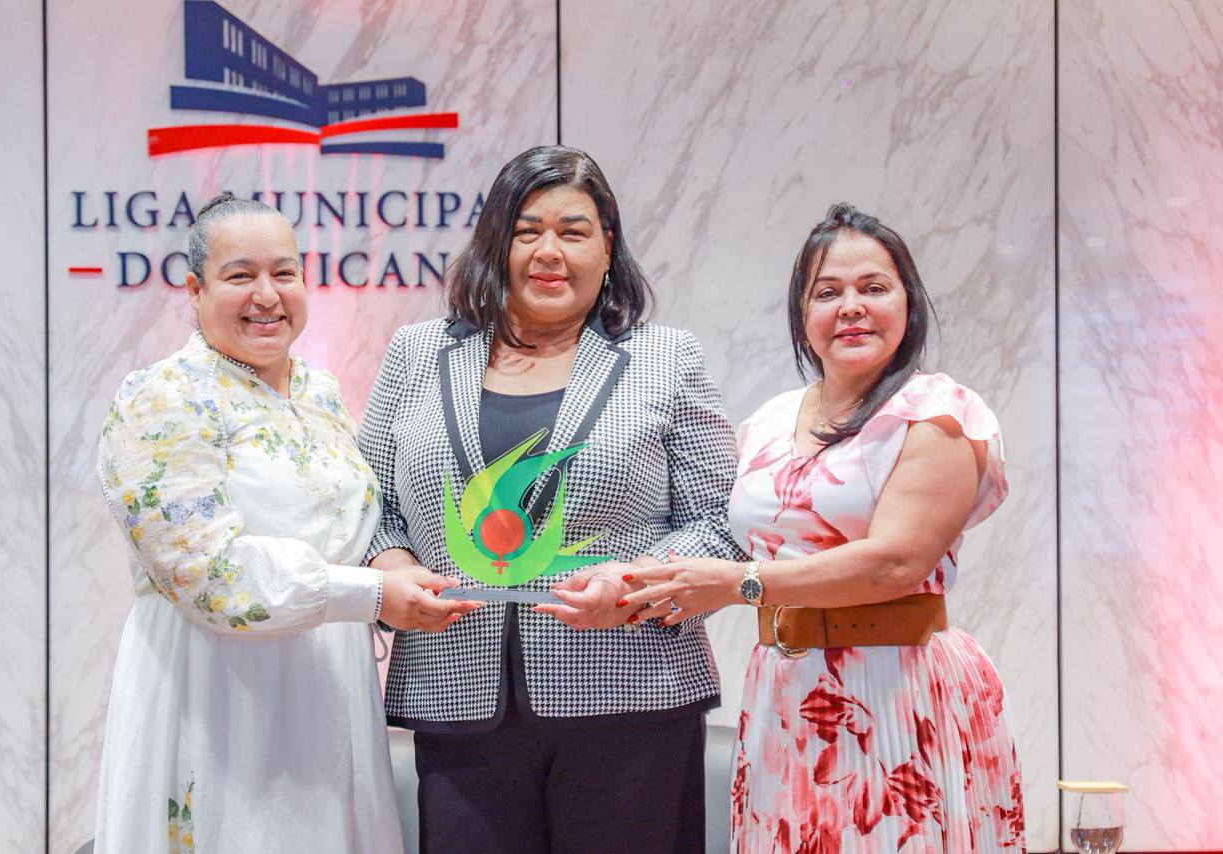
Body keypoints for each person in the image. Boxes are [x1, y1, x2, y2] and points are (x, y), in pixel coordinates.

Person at [357, 145, 742, 853]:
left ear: (607, 245)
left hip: (631, 696)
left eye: (573, 231)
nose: (548, 252)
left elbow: (722, 522)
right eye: (527, 230)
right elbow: (367, 498)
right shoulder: (417, 353)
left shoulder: (665, 358)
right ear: (495, 243)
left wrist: (630, 584)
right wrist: (390, 560)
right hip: (457, 695)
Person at [618, 203, 1026, 852]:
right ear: (803, 316)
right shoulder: (768, 423)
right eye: (827, 292)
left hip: (897, 689)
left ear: (909, 304)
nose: (851, 307)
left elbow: (893, 562)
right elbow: (716, 535)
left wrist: (739, 585)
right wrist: (619, 575)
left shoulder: (941, 413)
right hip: (785, 689)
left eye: (873, 288)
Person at [93, 193, 476, 853]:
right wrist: (376, 596)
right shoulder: (162, 397)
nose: (266, 295)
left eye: (285, 273)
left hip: (328, 697)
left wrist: (398, 570)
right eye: (240, 275)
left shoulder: (320, 392)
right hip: (216, 696)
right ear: (195, 288)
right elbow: (210, 575)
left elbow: (358, 527)